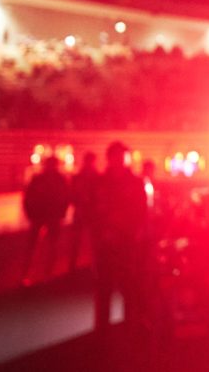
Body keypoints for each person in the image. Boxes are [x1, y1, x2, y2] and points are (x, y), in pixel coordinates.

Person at [92, 140, 149, 334]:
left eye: (123, 156)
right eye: (116, 156)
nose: (120, 160)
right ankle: (102, 329)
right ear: (109, 158)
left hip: (127, 243)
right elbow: (92, 211)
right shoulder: (100, 183)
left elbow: (142, 212)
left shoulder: (135, 183)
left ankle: (130, 326)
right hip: (105, 244)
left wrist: (132, 232)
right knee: (104, 287)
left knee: (130, 286)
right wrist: (101, 233)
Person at [21, 155, 71, 285]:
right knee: (46, 247)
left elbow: (66, 197)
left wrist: (30, 213)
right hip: (45, 216)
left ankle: (35, 274)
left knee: (42, 247)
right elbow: (66, 197)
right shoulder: (55, 179)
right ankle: (42, 275)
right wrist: (61, 213)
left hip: (45, 216)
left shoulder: (43, 179)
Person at [67, 151, 101, 271]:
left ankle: (78, 266)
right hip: (86, 213)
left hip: (89, 213)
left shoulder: (89, 177)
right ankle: (77, 266)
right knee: (83, 241)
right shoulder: (95, 177)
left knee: (89, 241)